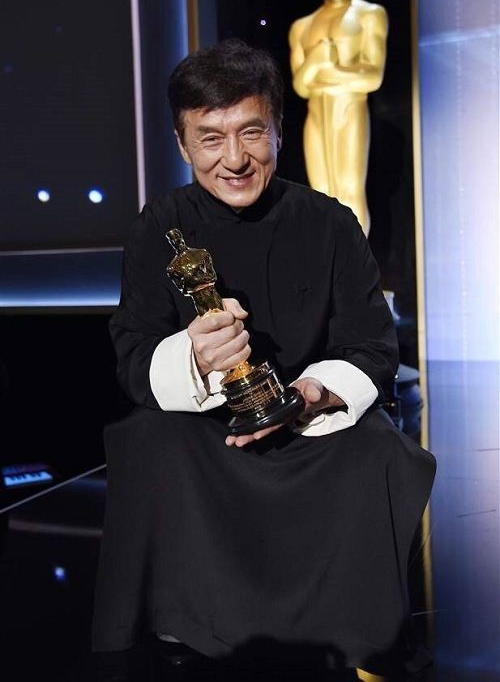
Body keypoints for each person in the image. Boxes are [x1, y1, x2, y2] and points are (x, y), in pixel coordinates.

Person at [92, 39, 435, 680]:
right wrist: (194, 358)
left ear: (278, 129)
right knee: (148, 438)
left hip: (308, 425)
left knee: (377, 447)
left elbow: (372, 347)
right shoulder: (158, 225)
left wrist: (310, 395)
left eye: (251, 132)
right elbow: (133, 352)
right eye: (210, 138)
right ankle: (187, 621)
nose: (234, 159)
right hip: (206, 432)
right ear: (182, 144)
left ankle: (355, 631)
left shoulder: (331, 223)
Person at [289, 0, 388, 236]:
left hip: (349, 109)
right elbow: (300, 86)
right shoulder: (302, 26)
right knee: (321, 194)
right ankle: (328, 263)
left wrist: (328, 70)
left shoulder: (369, 15)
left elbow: (373, 77)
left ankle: (356, 264)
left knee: (349, 188)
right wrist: (316, 61)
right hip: (316, 115)